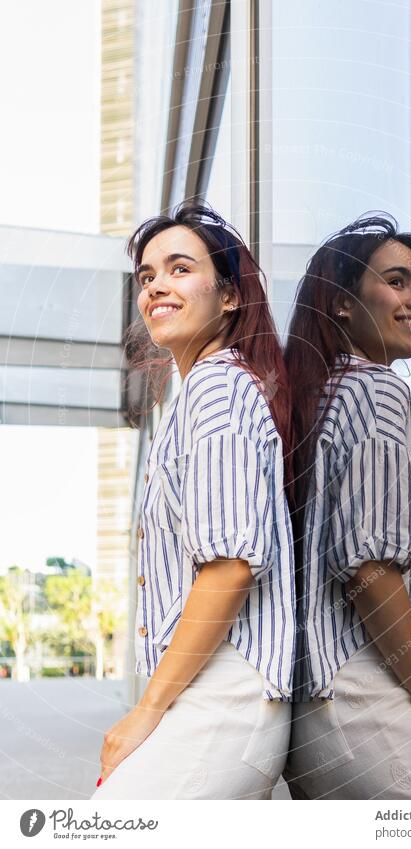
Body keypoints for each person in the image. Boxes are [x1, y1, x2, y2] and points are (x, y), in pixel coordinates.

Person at [282, 213, 411, 800]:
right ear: (342, 303)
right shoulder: (378, 393)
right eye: (396, 281)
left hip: (309, 710)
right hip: (359, 696)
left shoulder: (314, 402)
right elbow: (371, 572)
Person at [91, 202, 296, 800]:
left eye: (179, 268)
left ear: (229, 296)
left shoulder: (218, 391)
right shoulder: (199, 396)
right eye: (147, 275)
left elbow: (230, 568)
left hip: (225, 700)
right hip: (212, 696)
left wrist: (143, 714)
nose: (156, 285)